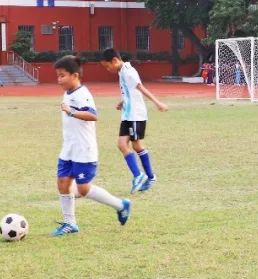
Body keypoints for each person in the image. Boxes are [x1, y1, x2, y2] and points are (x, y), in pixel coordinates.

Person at [51, 55, 131, 236]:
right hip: (69, 148)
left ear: (75, 75)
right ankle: (70, 223)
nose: (59, 80)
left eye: (62, 75)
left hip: (84, 150)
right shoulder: (68, 92)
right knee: (62, 184)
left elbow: (93, 115)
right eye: (58, 76)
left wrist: (71, 111)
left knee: (83, 189)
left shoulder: (83, 94)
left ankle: (121, 205)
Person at [99, 49, 169, 192]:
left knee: (136, 146)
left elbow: (140, 88)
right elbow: (130, 91)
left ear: (114, 60)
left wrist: (158, 103)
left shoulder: (128, 72)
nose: (107, 69)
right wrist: (123, 101)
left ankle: (145, 176)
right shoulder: (122, 71)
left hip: (135, 115)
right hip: (127, 114)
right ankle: (145, 176)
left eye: (107, 66)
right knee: (122, 144)